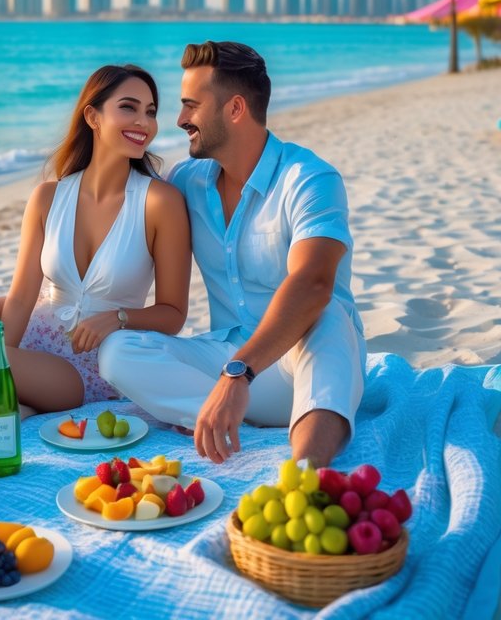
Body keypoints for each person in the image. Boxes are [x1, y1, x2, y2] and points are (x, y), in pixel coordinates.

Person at [98, 41, 367, 469]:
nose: (180, 119)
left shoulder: (309, 179)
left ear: (236, 109)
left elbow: (312, 283)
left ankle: (307, 471)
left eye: (191, 106)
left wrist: (238, 373)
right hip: (227, 366)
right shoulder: (186, 182)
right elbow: (118, 206)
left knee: (330, 310)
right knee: (117, 351)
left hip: (303, 365)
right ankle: (218, 419)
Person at [0, 64, 191, 413]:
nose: (144, 122)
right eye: (129, 107)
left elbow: (173, 314)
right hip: (41, 319)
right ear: (93, 117)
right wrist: (9, 355)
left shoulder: (160, 202)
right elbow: (22, 297)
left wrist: (118, 318)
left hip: (94, 363)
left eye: (151, 111)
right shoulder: (48, 197)